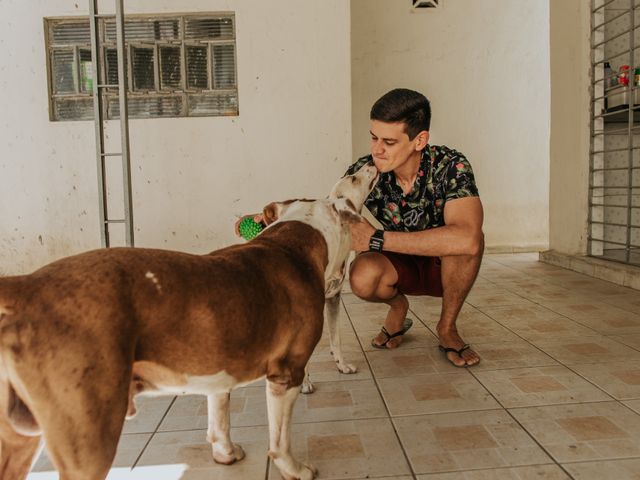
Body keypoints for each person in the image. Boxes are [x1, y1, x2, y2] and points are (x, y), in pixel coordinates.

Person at [345, 88, 484, 367]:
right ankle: (399, 308)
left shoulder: (451, 166)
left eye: (389, 141)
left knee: (466, 242)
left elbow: (467, 238)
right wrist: (276, 216)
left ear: (419, 140)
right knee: (362, 276)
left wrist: (376, 239)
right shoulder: (367, 169)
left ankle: (447, 328)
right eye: (374, 138)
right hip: (399, 266)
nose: (377, 150)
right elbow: (330, 212)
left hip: (443, 267)